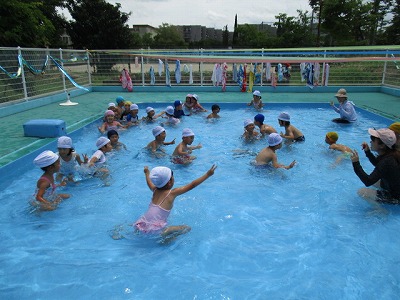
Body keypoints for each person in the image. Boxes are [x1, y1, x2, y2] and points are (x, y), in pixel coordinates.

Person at [134, 164, 217, 240]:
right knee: (187, 228)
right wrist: (207, 175)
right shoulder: (172, 193)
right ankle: (167, 239)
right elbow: (192, 185)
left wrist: (146, 173)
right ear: (169, 182)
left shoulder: (155, 190)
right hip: (157, 230)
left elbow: (149, 182)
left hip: (142, 224)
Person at [350, 128, 400, 204]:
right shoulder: (391, 155)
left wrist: (356, 164)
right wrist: (367, 152)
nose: (370, 142)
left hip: (396, 197)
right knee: (375, 182)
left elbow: (368, 181)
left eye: (373, 140)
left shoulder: (387, 161)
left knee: (362, 192)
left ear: (382, 146)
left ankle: (381, 211)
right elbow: (379, 165)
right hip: (393, 187)